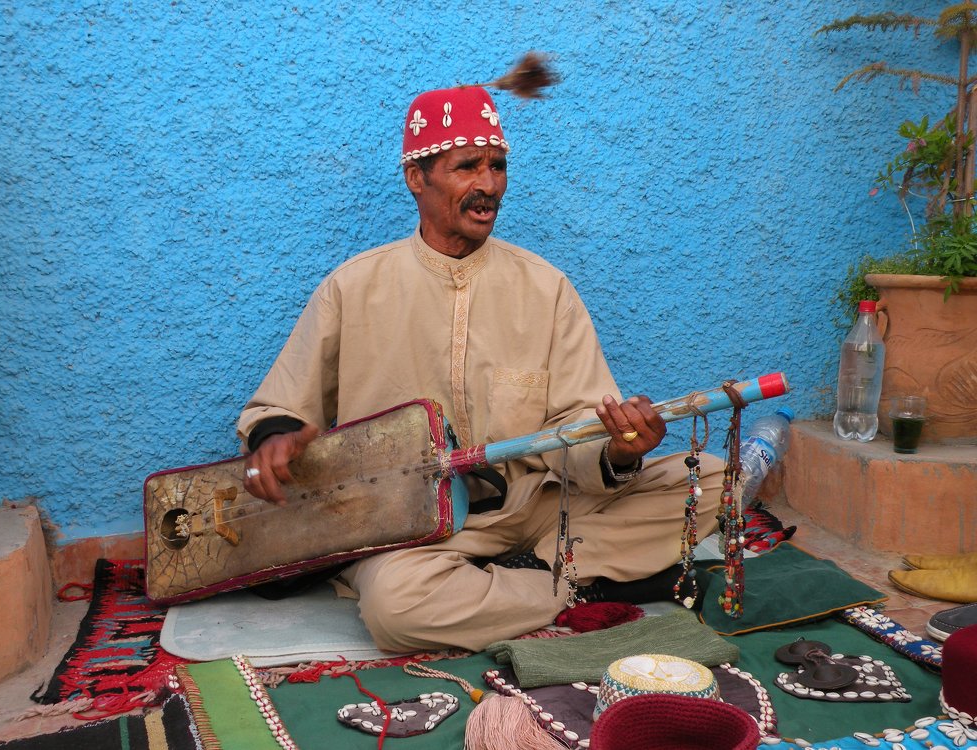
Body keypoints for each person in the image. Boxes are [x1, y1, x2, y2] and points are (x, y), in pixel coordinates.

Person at [237, 84, 724, 653]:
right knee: (396, 607)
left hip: (536, 510)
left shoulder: (546, 287)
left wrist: (619, 450)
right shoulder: (354, 287)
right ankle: (574, 589)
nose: (489, 185)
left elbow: (582, 423)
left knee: (710, 478)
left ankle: (518, 585)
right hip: (414, 531)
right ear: (417, 178)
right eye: (467, 166)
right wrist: (273, 440)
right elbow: (277, 408)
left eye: (497, 166)